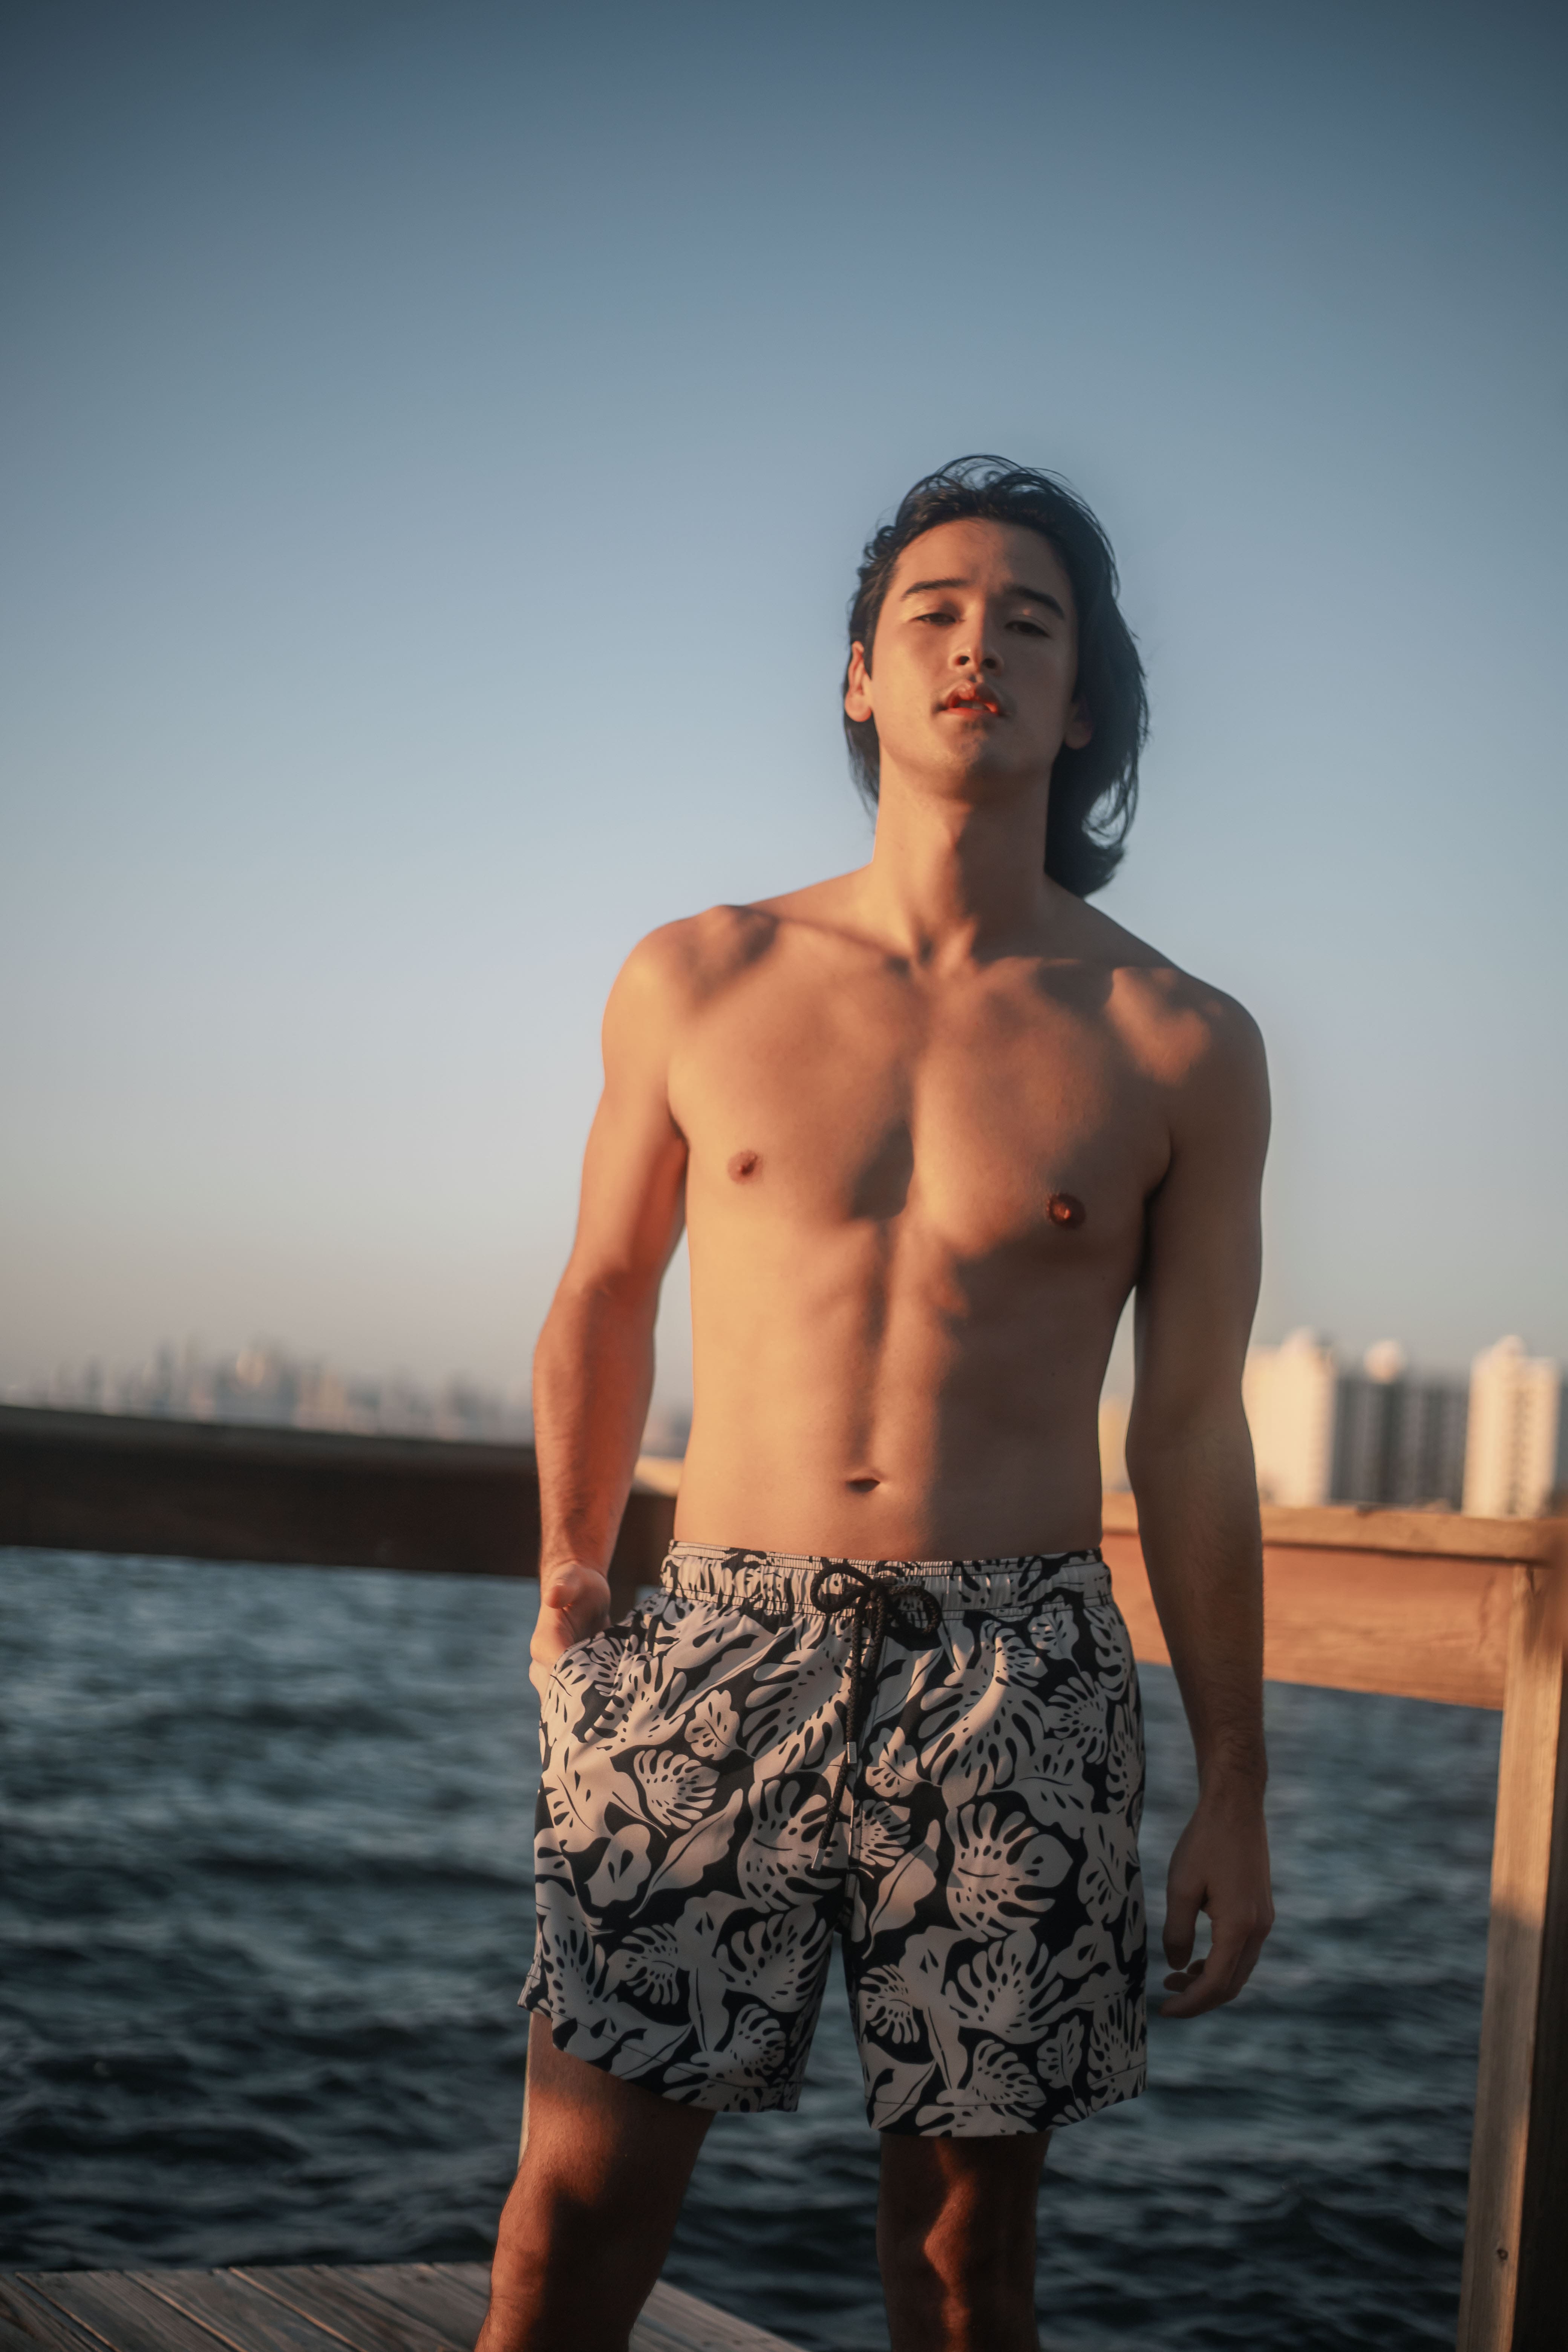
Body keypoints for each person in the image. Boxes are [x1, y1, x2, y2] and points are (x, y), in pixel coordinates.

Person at [476, 456, 1274, 2352]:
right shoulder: (700, 975)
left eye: (1027, 617)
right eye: (931, 610)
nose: (973, 643)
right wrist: (571, 1568)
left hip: (1018, 1678)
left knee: (960, 2265)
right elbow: (602, 1289)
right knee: (571, 2219)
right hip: (719, 1641)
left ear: (1085, 702)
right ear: (858, 676)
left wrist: (1233, 1784)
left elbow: (1189, 1432)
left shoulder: (1180, 1043)